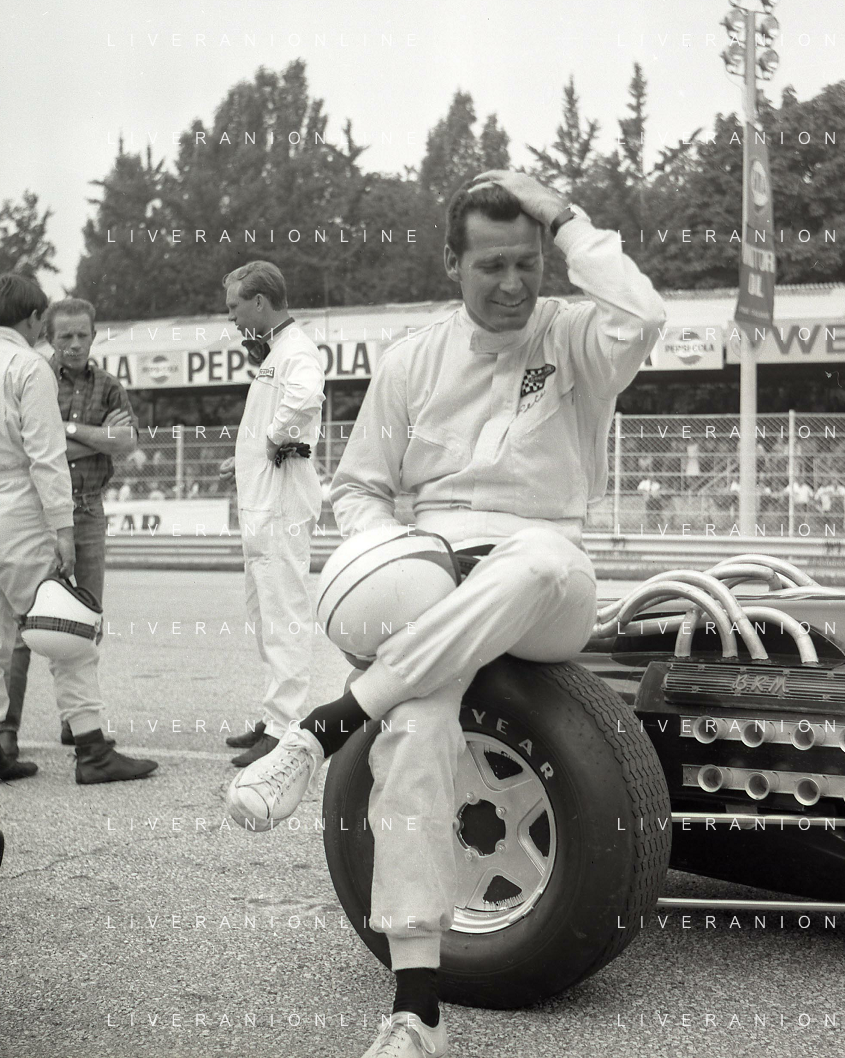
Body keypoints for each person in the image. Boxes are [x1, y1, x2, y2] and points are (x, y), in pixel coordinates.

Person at [228, 171, 665, 1057]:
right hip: (435, 577)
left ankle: (327, 724)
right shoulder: (411, 359)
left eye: (528, 262)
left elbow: (645, 313)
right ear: (451, 264)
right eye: (491, 265)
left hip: (543, 584)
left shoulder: (577, 336)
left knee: (542, 558)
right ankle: (416, 1008)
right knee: (419, 729)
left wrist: (565, 217)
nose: (513, 283)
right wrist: (399, 557)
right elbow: (358, 488)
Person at [0, 273, 158, 787]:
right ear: (34, 319)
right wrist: (62, 529)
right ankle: (92, 749)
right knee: (66, 629)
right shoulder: (28, 367)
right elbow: (47, 457)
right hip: (18, 513)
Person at [0, 297, 139, 759]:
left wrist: (66, 431)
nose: (75, 344)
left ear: (94, 336)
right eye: (65, 336)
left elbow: (126, 441)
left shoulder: (110, 386)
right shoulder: (33, 378)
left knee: (86, 618)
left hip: (90, 512)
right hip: (41, 513)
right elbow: (29, 450)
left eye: (83, 335)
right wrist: (97, 438)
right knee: (25, 623)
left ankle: (78, 724)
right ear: (49, 338)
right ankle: (6, 728)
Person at [218, 260, 326, 767]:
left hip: (279, 504)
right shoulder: (276, 351)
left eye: (235, 306)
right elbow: (270, 421)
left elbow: (305, 398)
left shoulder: (295, 349)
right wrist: (244, 454)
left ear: (259, 302)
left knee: (283, 616)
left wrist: (273, 439)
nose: (232, 317)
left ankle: (284, 728)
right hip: (264, 502)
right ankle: (273, 713)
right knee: (265, 615)